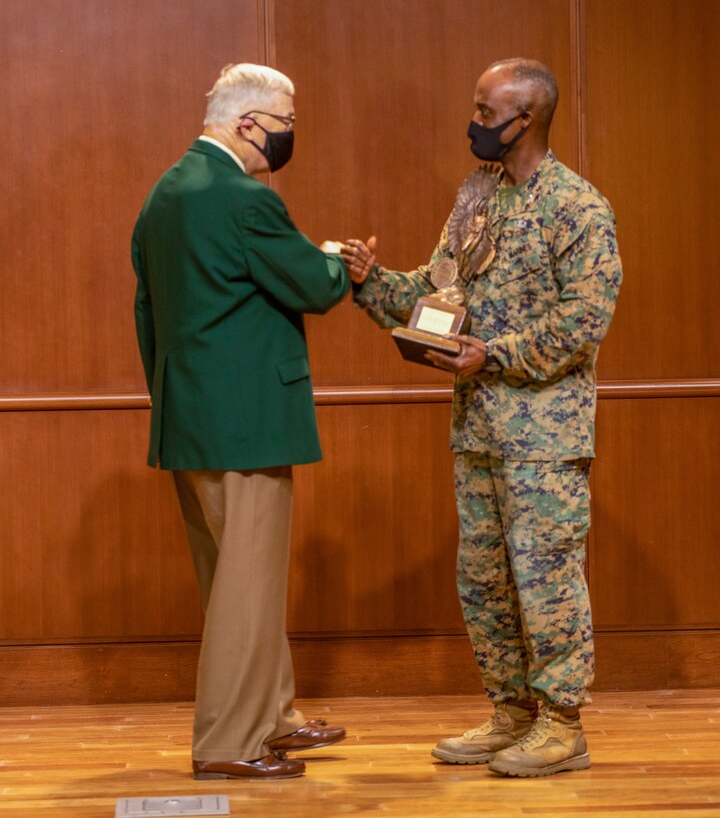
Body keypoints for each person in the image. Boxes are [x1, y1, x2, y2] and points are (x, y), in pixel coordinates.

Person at [341, 58, 622, 778]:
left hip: (543, 439)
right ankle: (511, 713)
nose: (475, 122)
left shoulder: (578, 208)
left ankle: (562, 724)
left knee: (545, 578)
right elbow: (437, 295)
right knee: (486, 580)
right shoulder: (477, 198)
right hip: (478, 433)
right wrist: (373, 284)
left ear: (524, 118)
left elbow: (582, 324)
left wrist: (491, 355)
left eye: (485, 110)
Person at [132, 63, 349, 780]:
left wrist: (176, 398)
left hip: (191, 419)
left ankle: (272, 716)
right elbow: (313, 287)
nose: (290, 136)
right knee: (245, 589)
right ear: (249, 122)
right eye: (287, 122)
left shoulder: (167, 191)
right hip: (248, 421)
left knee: (235, 578)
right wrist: (337, 261)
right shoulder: (243, 198)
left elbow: (147, 312)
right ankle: (230, 741)